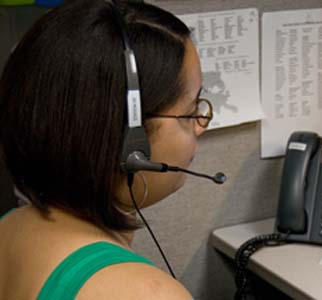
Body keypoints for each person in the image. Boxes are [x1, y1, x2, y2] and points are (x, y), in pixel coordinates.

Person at [0, 0, 214, 299]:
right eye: (191, 110)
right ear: (130, 141)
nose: (201, 124)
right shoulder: (144, 293)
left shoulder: (10, 225)